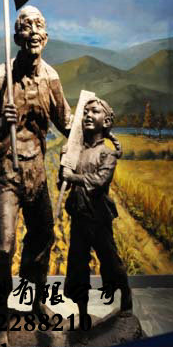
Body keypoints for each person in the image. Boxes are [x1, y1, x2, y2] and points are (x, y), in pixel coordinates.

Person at [0, 5, 72, 346]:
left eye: (39, 26)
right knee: (4, 245)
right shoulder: (1, 77)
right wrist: (3, 122)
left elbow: (66, 121)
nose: (33, 32)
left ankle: (37, 299)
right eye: (26, 27)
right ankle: (1, 312)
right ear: (16, 37)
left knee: (43, 235)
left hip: (37, 173)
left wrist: (95, 130)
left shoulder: (51, 78)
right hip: (7, 172)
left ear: (46, 37)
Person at [59, 98, 132, 328]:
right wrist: (64, 164)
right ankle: (83, 315)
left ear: (106, 121)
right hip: (79, 217)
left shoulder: (107, 155)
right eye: (86, 112)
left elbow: (99, 181)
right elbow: (62, 184)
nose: (88, 115)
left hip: (99, 217)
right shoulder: (76, 152)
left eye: (95, 111)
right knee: (77, 266)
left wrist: (73, 177)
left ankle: (126, 296)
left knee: (110, 260)